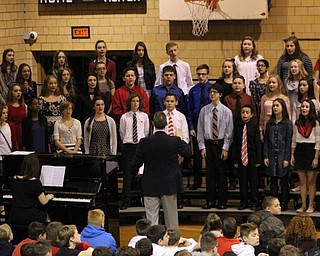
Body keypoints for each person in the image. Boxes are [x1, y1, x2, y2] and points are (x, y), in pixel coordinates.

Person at [130, 111, 191, 228]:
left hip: (150, 184)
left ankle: (152, 244)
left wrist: (134, 173)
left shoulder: (145, 142)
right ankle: (173, 243)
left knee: (151, 220)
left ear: (153, 123)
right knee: (172, 221)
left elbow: (135, 163)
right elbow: (188, 152)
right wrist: (181, 138)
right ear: (166, 124)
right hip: (169, 185)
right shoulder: (174, 141)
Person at [197, 84, 233, 209]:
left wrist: (226, 147)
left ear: (220, 94)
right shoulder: (204, 110)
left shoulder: (226, 111)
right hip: (208, 143)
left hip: (220, 143)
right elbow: (200, 129)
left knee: (221, 174)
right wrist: (202, 146)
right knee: (210, 174)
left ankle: (222, 201)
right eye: (211, 92)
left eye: (215, 92)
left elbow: (229, 131)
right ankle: (210, 200)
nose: (213, 94)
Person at [119, 93, 149, 209]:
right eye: (133, 101)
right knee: (127, 175)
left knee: (142, 174)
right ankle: (126, 201)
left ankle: (143, 199)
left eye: (137, 101)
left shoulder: (144, 116)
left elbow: (146, 132)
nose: (135, 103)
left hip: (140, 147)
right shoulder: (124, 117)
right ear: (129, 103)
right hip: (128, 147)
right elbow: (122, 133)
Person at [291, 99, 320, 213]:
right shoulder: (297, 123)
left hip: (311, 151)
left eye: (306, 107)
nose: (304, 109)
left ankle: (311, 205)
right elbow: (294, 140)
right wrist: (292, 155)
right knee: (302, 181)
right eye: (302, 107)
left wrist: (316, 157)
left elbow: (318, 141)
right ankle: (303, 205)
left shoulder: (315, 123)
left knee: (311, 181)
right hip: (300, 150)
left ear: (311, 109)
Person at [264, 98, 292, 210]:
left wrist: (286, 158)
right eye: (274, 106)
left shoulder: (287, 123)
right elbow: (266, 140)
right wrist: (266, 155)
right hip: (271, 154)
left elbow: (288, 141)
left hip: (282, 154)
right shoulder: (269, 123)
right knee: (273, 180)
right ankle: (273, 203)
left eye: (277, 106)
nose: (275, 108)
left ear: (282, 108)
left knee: (284, 180)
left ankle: (284, 203)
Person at [9, 154, 54, 225]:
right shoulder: (35, 182)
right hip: (31, 215)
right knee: (46, 216)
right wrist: (48, 197)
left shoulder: (14, 179)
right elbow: (43, 202)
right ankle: (45, 235)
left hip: (15, 214)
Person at [187, 64, 212, 190]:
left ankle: (210, 181)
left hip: (210, 125)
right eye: (199, 74)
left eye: (203, 74)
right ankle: (197, 181)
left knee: (210, 155)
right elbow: (190, 110)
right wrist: (191, 127)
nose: (201, 77)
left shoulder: (212, 89)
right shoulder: (193, 90)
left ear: (208, 75)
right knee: (197, 155)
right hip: (197, 125)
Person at [233, 105, 261, 210]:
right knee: (243, 180)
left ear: (251, 114)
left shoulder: (254, 126)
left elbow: (258, 143)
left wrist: (258, 159)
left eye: (247, 112)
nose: (245, 114)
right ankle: (243, 202)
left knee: (253, 180)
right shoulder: (237, 126)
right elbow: (235, 143)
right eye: (243, 112)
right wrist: (235, 159)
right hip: (241, 155)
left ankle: (254, 202)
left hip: (252, 155)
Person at [38, 74, 66, 151]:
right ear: (46, 85)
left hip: (60, 128)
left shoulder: (62, 99)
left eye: (55, 83)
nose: (53, 85)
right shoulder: (41, 99)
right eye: (51, 83)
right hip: (47, 128)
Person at [259, 74, 291, 141]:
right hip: (267, 125)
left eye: (273, 83)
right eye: (269, 83)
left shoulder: (284, 98)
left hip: (280, 126)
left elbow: (288, 116)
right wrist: (261, 130)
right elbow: (262, 115)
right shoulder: (264, 97)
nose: (271, 84)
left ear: (278, 84)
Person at [0, 104, 18, 216]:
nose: (6, 115)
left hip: (9, 157)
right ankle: (1, 206)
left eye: (7, 113)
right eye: (3, 113)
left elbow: (14, 141)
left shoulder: (10, 125)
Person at [284, 59, 308, 124]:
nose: (293, 69)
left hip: (300, 107)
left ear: (300, 68)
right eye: (291, 67)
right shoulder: (287, 81)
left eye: (295, 67)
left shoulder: (304, 81)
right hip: (290, 107)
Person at [6, 83, 28, 150]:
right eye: (15, 91)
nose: (18, 93)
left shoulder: (25, 106)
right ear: (11, 93)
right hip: (12, 132)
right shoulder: (7, 107)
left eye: (20, 91)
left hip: (22, 132)